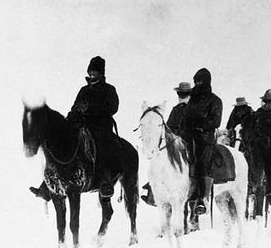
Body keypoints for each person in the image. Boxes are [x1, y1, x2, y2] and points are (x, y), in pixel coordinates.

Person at [30, 56, 121, 201]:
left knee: (101, 144)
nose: (92, 75)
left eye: (95, 72)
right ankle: (48, 185)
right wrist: (70, 118)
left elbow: (113, 108)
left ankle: (105, 180)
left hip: (100, 125)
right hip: (81, 124)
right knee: (62, 141)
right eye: (90, 72)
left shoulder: (109, 89)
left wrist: (90, 109)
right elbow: (75, 106)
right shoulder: (83, 90)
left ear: (101, 74)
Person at [141, 81, 193, 205]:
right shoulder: (176, 109)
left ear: (189, 94)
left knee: (195, 160)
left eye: (184, 94)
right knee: (160, 159)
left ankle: (196, 188)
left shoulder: (193, 109)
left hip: (189, 141)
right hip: (174, 141)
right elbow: (169, 126)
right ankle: (154, 189)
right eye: (180, 93)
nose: (182, 95)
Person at [184, 68, 223, 215]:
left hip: (205, 139)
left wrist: (202, 125)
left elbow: (216, 121)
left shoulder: (215, 100)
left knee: (202, 164)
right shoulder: (192, 100)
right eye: (196, 81)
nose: (197, 84)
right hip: (188, 137)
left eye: (200, 81)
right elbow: (186, 117)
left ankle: (201, 198)